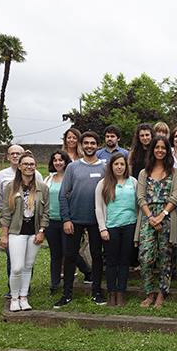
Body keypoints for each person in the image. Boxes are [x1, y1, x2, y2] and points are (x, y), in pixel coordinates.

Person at [54, 131, 107, 308]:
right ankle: (67, 294)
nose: (89, 146)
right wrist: (66, 219)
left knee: (97, 256)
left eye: (92, 143)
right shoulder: (72, 167)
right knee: (70, 256)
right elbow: (63, 194)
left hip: (97, 220)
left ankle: (96, 292)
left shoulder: (104, 168)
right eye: (86, 143)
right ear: (81, 145)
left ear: (98, 146)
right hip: (74, 219)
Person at [136, 136, 177, 308]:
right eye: (157, 147)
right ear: (152, 149)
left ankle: (161, 294)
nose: (160, 150)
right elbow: (140, 197)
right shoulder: (144, 172)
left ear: (167, 150)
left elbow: (176, 195)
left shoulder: (174, 172)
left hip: (167, 217)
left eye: (163, 147)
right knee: (145, 258)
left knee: (165, 257)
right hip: (148, 217)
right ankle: (149, 293)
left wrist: (162, 215)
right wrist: (151, 218)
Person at [0, 152, 49, 312]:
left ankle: (23, 297)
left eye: (32, 164)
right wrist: (4, 235)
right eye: (26, 164)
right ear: (19, 167)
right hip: (16, 232)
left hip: (34, 232)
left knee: (28, 266)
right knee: (16, 268)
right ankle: (14, 298)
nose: (29, 167)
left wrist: (42, 230)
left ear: (36, 167)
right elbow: (6, 212)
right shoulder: (11, 187)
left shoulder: (42, 187)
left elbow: (46, 212)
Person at [44, 150, 92, 297]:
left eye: (61, 160)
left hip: (68, 221)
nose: (58, 163)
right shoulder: (48, 179)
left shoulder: (72, 178)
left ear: (66, 162)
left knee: (69, 252)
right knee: (55, 255)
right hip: (51, 221)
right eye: (55, 160)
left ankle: (87, 272)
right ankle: (54, 286)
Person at [95, 153, 138, 307]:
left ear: (126, 166)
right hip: (111, 228)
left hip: (129, 227)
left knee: (125, 261)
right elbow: (98, 207)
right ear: (111, 166)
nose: (119, 167)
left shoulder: (133, 182)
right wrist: (102, 228)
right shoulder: (103, 183)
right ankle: (111, 294)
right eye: (116, 164)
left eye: (122, 164)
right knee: (112, 262)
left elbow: (139, 205)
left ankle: (121, 294)